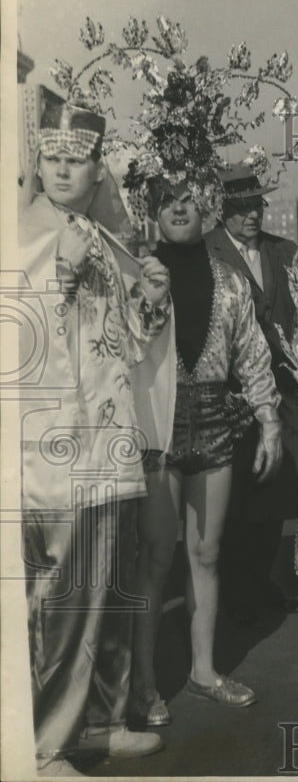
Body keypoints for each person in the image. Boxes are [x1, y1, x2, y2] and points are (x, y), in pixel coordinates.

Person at [18, 93, 171, 774]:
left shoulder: (103, 237)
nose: (60, 172)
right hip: (56, 445)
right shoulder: (24, 235)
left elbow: (126, 344)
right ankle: (46, 742)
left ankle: (100, 719)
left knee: (109, 587)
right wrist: (61, 272)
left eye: (74, 162)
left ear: (96, 169)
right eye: (50, 158)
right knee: (63, 597)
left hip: (110, 442)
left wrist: (150, 299)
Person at [129, 174, 283, 722]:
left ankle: (204, 670)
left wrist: (269, 421)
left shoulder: (231, 282)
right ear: (152, 209)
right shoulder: (136, 274)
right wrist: (148, 295)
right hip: (158, 426)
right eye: (166, 200)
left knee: (207, 554)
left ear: (206, 207)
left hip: (217, 422)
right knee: (154, 558)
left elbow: (252, 355)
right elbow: (126, 344)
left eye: (188, 200)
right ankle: (143, 684)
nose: (177, 209)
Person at [205, 169, 298, 627]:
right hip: (232, 397)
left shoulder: (285, 251)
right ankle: (232, 593)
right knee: (236, 499)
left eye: (256, 206)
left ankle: (259, 583)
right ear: (222, 210)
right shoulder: (205, 253)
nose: (250, 214)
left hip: (285, 393)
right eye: (240, 207)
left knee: (276, 495)